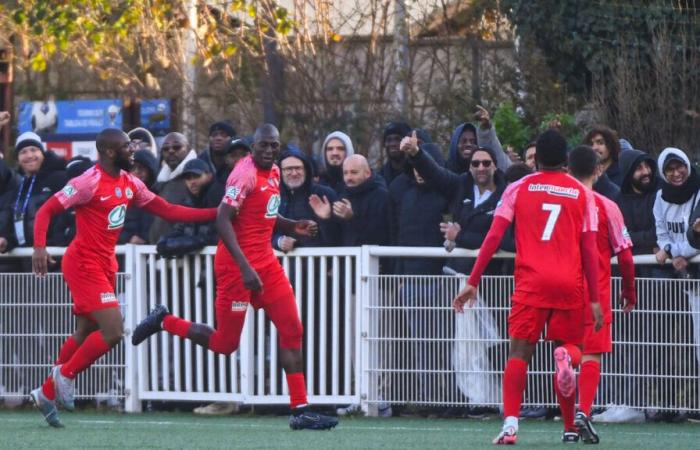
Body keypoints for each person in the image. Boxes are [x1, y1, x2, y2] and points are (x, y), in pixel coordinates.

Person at [131, 124, 338, 430]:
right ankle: (164, 321)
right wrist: (244, 268)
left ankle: (301, 409)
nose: (269, 151)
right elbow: (223, 219)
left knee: (292, 328)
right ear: (253, 147)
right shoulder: (244, 174)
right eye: (263, 146)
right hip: (235, 268)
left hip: (265, 264)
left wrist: (292, 226)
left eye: (274, 146)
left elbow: (265, 214)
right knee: (225, 344)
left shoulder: (275, 172)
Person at [28, 128, 218, 428]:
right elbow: (46, 211)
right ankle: (63, 376)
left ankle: (46, 392)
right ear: (108, 152)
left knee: (87, 329)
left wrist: (216, 214)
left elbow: (168, 210)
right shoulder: (87, 182)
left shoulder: (129, 182)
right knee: (114, 330)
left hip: (104, 264)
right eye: (127, 149)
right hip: (83, 263)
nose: (134, 153)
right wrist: (39, 247)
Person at [451, 130, 603, 445]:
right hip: (568, 283)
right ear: (566, 160)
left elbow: (493, 237)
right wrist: (596, 298)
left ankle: (510, 426)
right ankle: (569, 429)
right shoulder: (581, 193)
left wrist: (472, 281)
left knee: (518, 354)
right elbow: (590, 249)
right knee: (571, 349)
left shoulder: (518, 188)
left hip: (530, 283)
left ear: (537, 160)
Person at [567, 145, 637, 444]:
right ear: (598, 170)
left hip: (562, 287)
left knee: (568, 350)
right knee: (592, 353)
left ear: (568, 170)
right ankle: (583, 411)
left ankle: (569, 425)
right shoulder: (607, 205)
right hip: (597, 290)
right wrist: (629, 290)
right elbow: (625, 255)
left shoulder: (562, 203)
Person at [310, 154, 389, 247]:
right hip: (348, 260)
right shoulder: (342, 196)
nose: (349, 178)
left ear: (367, 173)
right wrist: (326, 219)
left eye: (354, 172)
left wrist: (352, 218)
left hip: (374, 260)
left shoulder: (381, 196)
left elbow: (379, 236)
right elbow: (334, 241)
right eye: (345, 173)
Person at [274, 148, 339, 251]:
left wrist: (325, 219)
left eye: (298, 168)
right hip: (284, 265)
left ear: (306, 170)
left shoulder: (324, 194)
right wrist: (279, 241)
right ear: (280, 172)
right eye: (288, 169)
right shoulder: (274, 197)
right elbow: (265, 233)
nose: (294, 173)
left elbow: (338, 238)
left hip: (321, 265)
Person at [653, 147, 700, 277]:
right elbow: (661, 234)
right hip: (679, 271)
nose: (676, 173)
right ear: (663, 173)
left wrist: (670, 251)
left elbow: (697, 240)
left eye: (680, 167)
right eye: (669, 169)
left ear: (687, 166)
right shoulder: (660, 197)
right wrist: (673, 254)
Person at [149, 132, 198, 242]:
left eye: (177, 147)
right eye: (166, 149)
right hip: (158, 252)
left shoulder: (196, 177)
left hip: (184, 252)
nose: (171, 151)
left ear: (188, 149)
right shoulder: (160, 182)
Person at [445, 106, 510, 175]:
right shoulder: (445, 174)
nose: (468, 144)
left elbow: (501, 164)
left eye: (472, 141)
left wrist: (485, 128)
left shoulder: (484, 175)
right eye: (464, 141)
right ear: (455, 145)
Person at [583, 126, 621, 199]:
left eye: (600, 143)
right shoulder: (586, 174)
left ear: (610, 145)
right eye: (591, 144)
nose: (594, 148)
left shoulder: (621, 172)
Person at [318, 131, 355, 196]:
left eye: (340, 149)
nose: (334, 153)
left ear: (349, 151)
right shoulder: (316, 186)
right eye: (330, 149)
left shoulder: (360, 184)